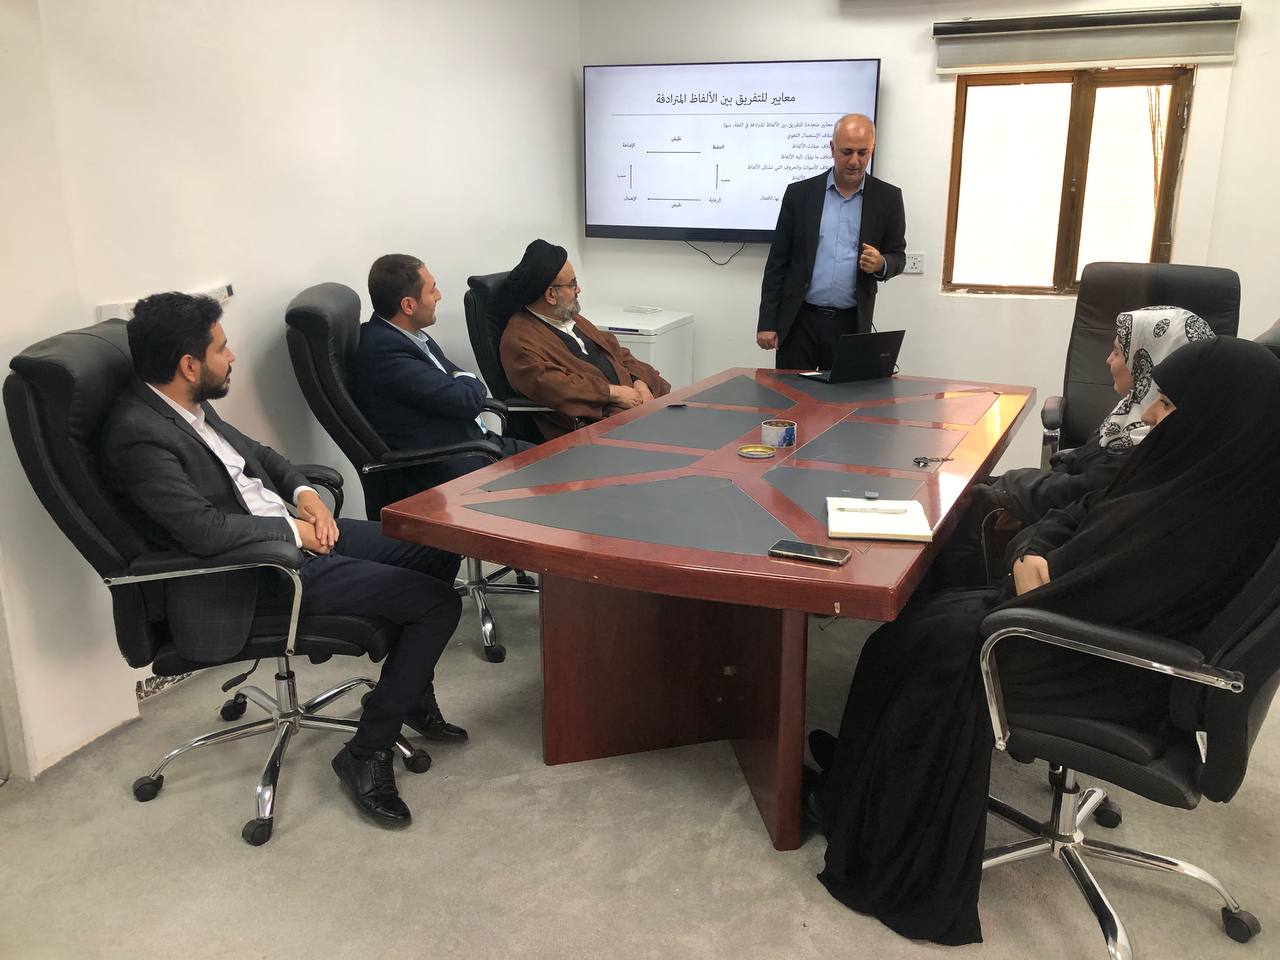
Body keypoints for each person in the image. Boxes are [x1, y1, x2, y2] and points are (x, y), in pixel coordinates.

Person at [808, 337, 1280, 945]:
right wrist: (1031, 553)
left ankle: (876, 831)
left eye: (1165, 405)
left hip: (1105, 661)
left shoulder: (1203, 523)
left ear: (1216, 418)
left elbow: (1093, 590)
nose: (1147, 414)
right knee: (914, 628)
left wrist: (1029, 579)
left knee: (918, 645)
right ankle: (855, 786)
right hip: (1064, 622)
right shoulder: (1190, 472)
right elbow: (1079, 513)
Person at [100, 292, 469, 830]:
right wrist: (294, 531)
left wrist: (306, 496)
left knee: (436, 546)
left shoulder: (184, 405)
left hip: (291, 536)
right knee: (437, 605)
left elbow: (262, 457)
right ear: (189, 365)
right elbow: (203, 530)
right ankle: (365, 752)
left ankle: (407, 692)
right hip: (259, 573)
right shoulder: (139, 435)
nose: (232, 357)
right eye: (222, 349)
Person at [936, 307, 1214, 587]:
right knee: (969, 490)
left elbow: (1084, 493)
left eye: (1118, 352)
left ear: (1146, 362)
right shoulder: (1130, 412)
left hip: (1057, 552)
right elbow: (1081, 473)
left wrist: (1010, 489)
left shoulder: (1148, 443)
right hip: (1056, 521)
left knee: (968, 499)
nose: (1108, 360)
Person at [354, 254, 532, 490]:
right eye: (432, 290)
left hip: (478, 445)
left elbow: (457, 377)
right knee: (553, 477)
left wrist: (462, 380)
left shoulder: (409, 336)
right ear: (408, 305)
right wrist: (466, 380)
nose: (438, 296)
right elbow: (468, 399)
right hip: (457, 467)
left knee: (560, 459)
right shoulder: (385, 353)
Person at [756, 113, 906, 371]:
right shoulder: (799, 195)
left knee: (843, 395)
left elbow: (898, 256)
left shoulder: (888, 198)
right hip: (799, 321)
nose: (855, 161)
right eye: (847, 152)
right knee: (790, 393)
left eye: (863, 152)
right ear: (832, 148)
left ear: (872, 150)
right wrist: (767, 322)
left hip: (850, 325)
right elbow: (777, 263)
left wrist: (882, 263)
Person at [499, 239, 670, 440]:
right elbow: (555, 386)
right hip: (595, 428)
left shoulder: (571, 318)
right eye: (572, 284)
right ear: (551, 295)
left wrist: (639, 381)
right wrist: (613, 393)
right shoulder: (520, 340)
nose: (578, 290)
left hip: (634, 408)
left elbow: (618, 353)